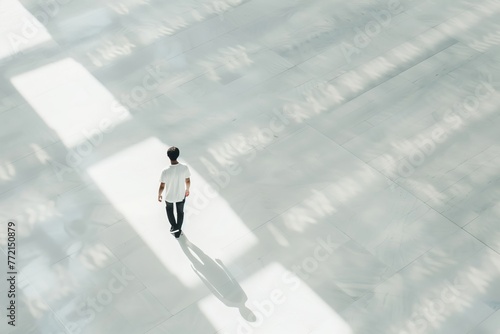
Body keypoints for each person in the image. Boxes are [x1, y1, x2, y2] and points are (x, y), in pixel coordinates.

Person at [158, 146, 191, 238]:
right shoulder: (184, 168)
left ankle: (174, 226)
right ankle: (178, 230)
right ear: (178, 155)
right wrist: (187, 189)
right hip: (181, 195)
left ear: (168, 156)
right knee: (180, 212)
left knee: (169, 210)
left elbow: (162, 185)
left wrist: (159, 194)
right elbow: (187, 180)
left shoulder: (165, 171)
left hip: (169, 196)